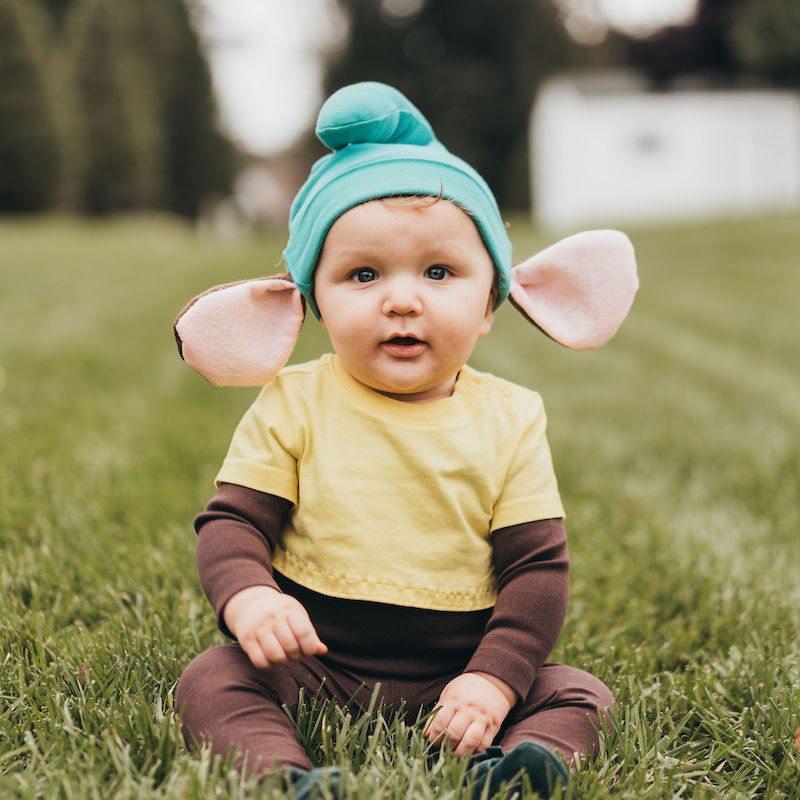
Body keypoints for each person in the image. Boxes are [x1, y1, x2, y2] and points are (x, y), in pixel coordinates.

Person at [173, 81, 638, 799]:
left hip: (460, 668)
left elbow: (537, 571)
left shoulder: (511, 418)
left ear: (490, 302)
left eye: (439, 272)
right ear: (316, 303)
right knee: (213, 677)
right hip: (315, 661)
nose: (401, 298)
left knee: (580, 694)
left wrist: (492, 679)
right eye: (362, 274)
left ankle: (518, 768)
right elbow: (233, 521)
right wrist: (250, 600)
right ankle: (282, 776)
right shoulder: (295, 402)